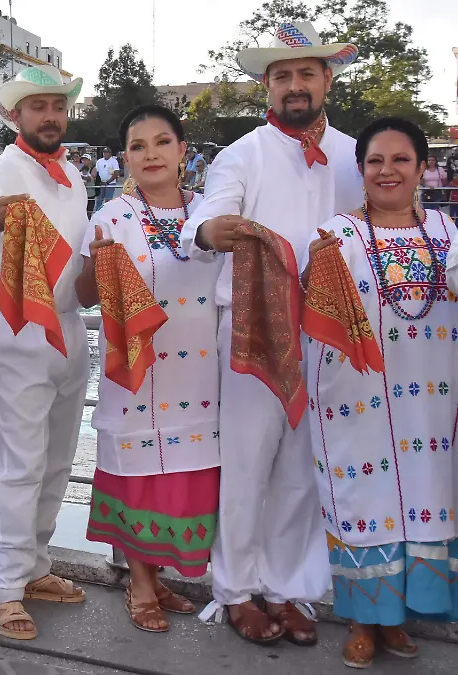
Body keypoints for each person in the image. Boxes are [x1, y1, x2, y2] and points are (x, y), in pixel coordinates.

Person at [180, 21, 365, 646]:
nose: (294, 85)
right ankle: (235, 590)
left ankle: (290, 589)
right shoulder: (244, 152)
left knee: (304, 468)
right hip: (255, 332)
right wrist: (208, 232)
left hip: (329, 333)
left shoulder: (351, 154)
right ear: (267, 85)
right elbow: (209, 210)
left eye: (305, 73)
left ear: (326, 81)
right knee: (247, 463)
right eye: (282, 75)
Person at [300, 117, 457, 668]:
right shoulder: (335, 235)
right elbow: (312, 316)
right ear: (361, 170)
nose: (387, 171)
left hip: (431, 407)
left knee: (425, 497)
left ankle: (400, 619)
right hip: (356, 399)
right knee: (365, 504)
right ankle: (363, 620)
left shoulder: (446, 233)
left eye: (400, 160)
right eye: (375, 161)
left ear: (421, 168)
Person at [74, 106, 219, 633]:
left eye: (162, 142)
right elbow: (83, 295)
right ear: (125, 158)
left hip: (204, 374)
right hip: (138, 376)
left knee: (185, 478)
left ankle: (159, 578)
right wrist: (95, 262)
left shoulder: (210, 214)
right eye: (138, 146)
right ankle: (139, 581)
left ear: (184, 150)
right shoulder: (111, 218)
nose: (151, 153)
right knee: (138, 477)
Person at [0, 64, 90, 640]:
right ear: (16, 116)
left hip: (69, 325)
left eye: (57, 107)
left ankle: (35, 563)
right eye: (38, 107)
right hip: (15, 328)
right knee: (20, 461)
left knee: (59, 456)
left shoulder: (76, 179)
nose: (50, 116)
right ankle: (3, 585)